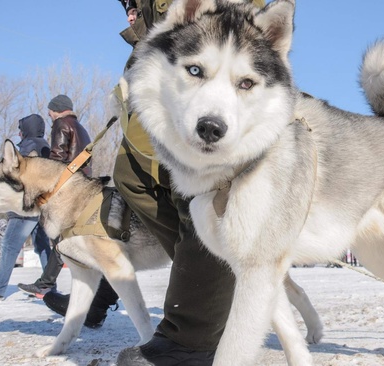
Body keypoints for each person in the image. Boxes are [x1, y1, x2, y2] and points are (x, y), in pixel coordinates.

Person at [113, 1, 263, 365]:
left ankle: (192, 339)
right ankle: (215, 283)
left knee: (205, 188)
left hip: (217, 24)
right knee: (132, 176)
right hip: (163, 34)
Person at [17, 95, 119, 328]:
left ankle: (51, 284)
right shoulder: (80, 127)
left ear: (57, 110)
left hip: (67, 186)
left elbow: (58, 157)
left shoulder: (61, 125)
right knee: (77, 239)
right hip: (84, 184)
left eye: (51, 111)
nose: (50, 115)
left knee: (66, 239)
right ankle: (92, 299)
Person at [0, 114, 52, 300]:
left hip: (24, 207)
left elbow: (14, 176)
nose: (18, 133)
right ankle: (48, 287)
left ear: (26, 130)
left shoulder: (26, 146)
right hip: (41, 204)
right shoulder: (45, 145)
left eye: (20, 129)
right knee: (42, 245)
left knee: (9, 245)